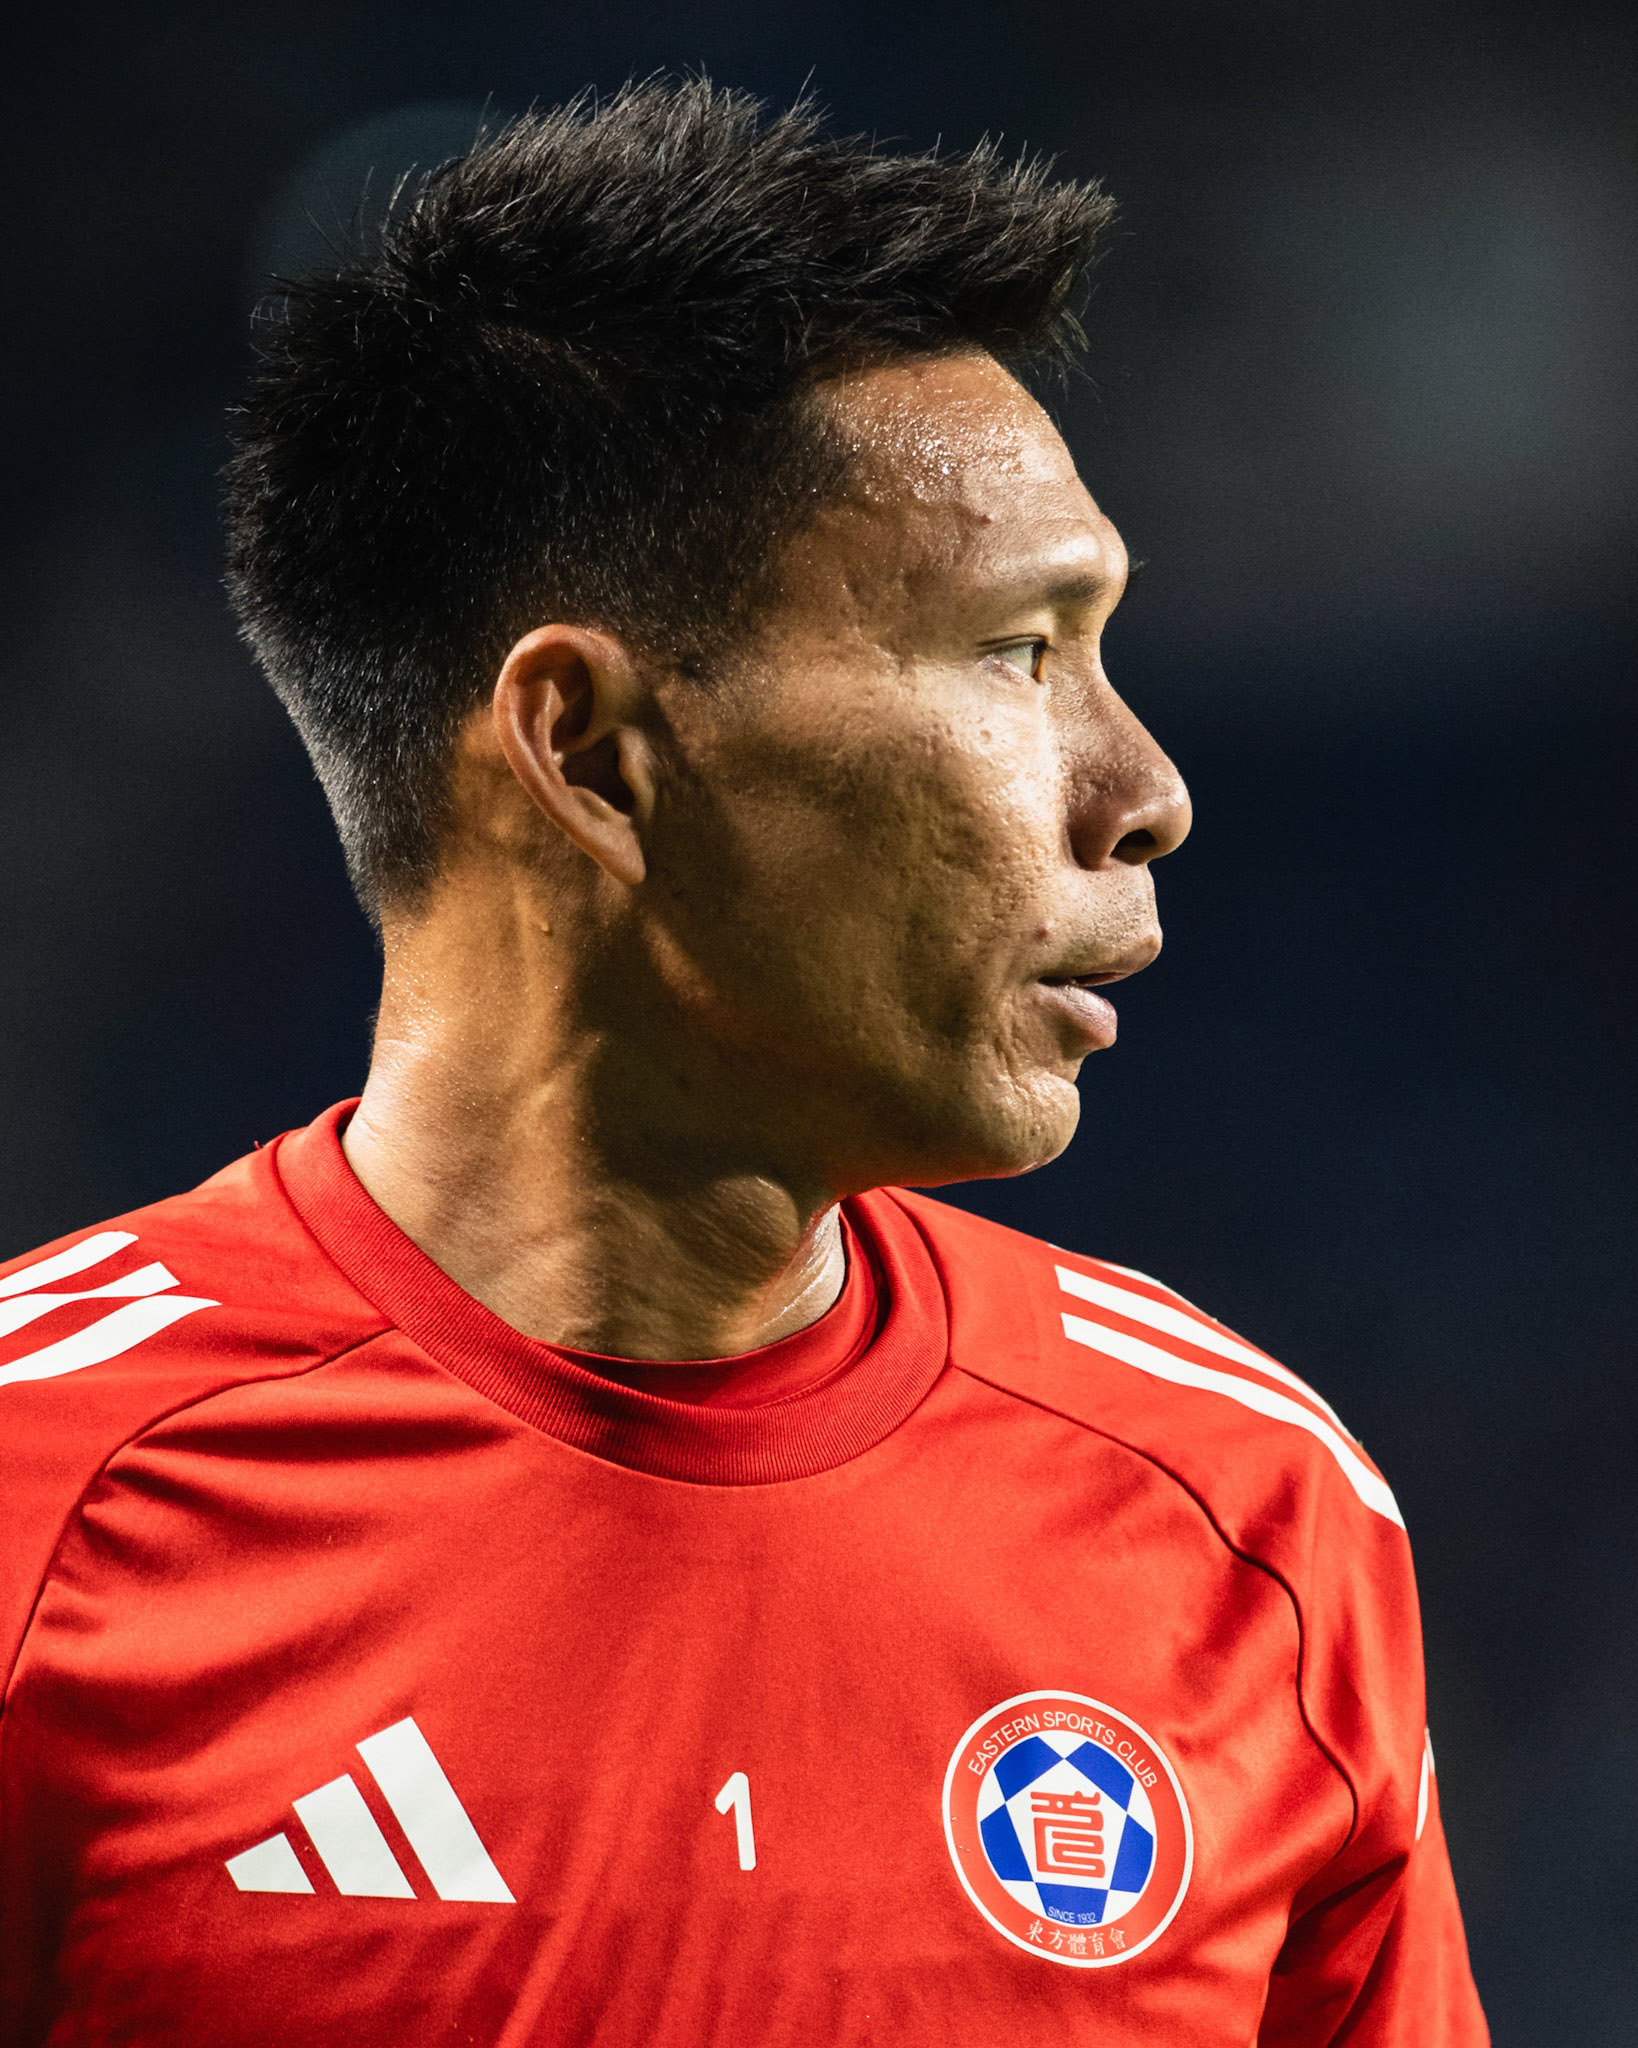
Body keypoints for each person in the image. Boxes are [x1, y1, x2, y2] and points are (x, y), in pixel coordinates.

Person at [0, 81, 1486, 2046]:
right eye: (1018, 655)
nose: (1148, 792)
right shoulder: (44, 1510)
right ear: (593, 749)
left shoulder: (1257, 1519)